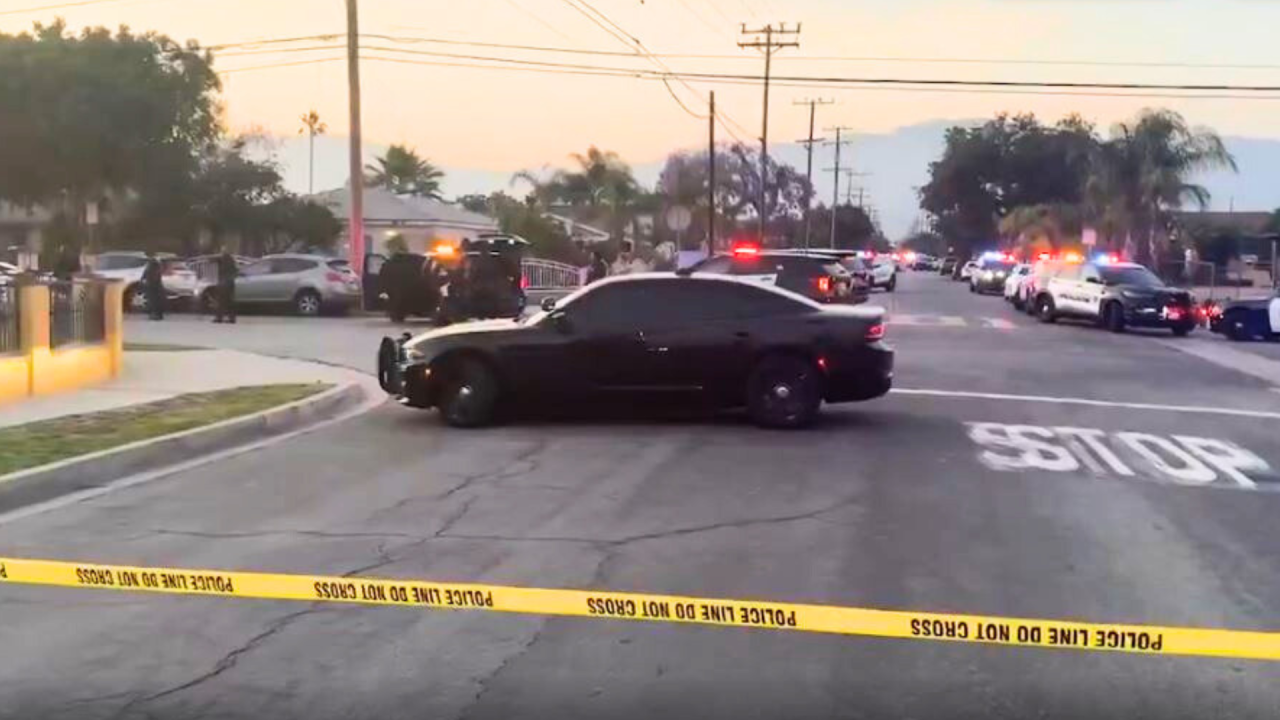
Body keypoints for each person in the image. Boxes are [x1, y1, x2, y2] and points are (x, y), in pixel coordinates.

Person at [213, 248, 238, 324]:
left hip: (224, 282)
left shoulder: (222, 259)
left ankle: (219, 318)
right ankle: (232, 318)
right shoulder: (232, 260)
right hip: (231, 282)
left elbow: (213, 260)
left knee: (221, 301)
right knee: (230, 301)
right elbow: (235, 270)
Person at [141, 252, 164, 320]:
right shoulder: (155, 264)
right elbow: (147, 273)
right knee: (155, 300)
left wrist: (144, 279)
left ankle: (156, 314)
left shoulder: (153, 264)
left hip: (153, 284)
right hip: (154, 284)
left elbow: (147, 274)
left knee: (154, 300)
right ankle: (156, 314)